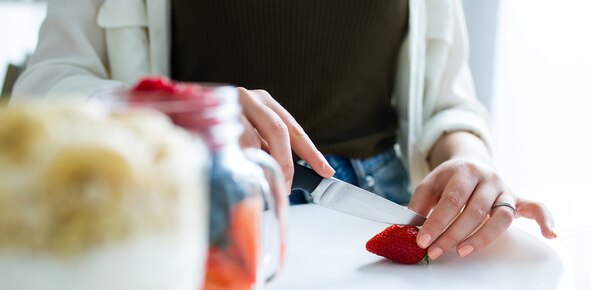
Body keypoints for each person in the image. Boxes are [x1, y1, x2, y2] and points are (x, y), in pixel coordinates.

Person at [13, 0, 556, 260]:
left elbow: (448, 102)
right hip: (198, 209)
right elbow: (41, 88)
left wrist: (467, 160)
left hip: (380, 212)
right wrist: (181, 111)